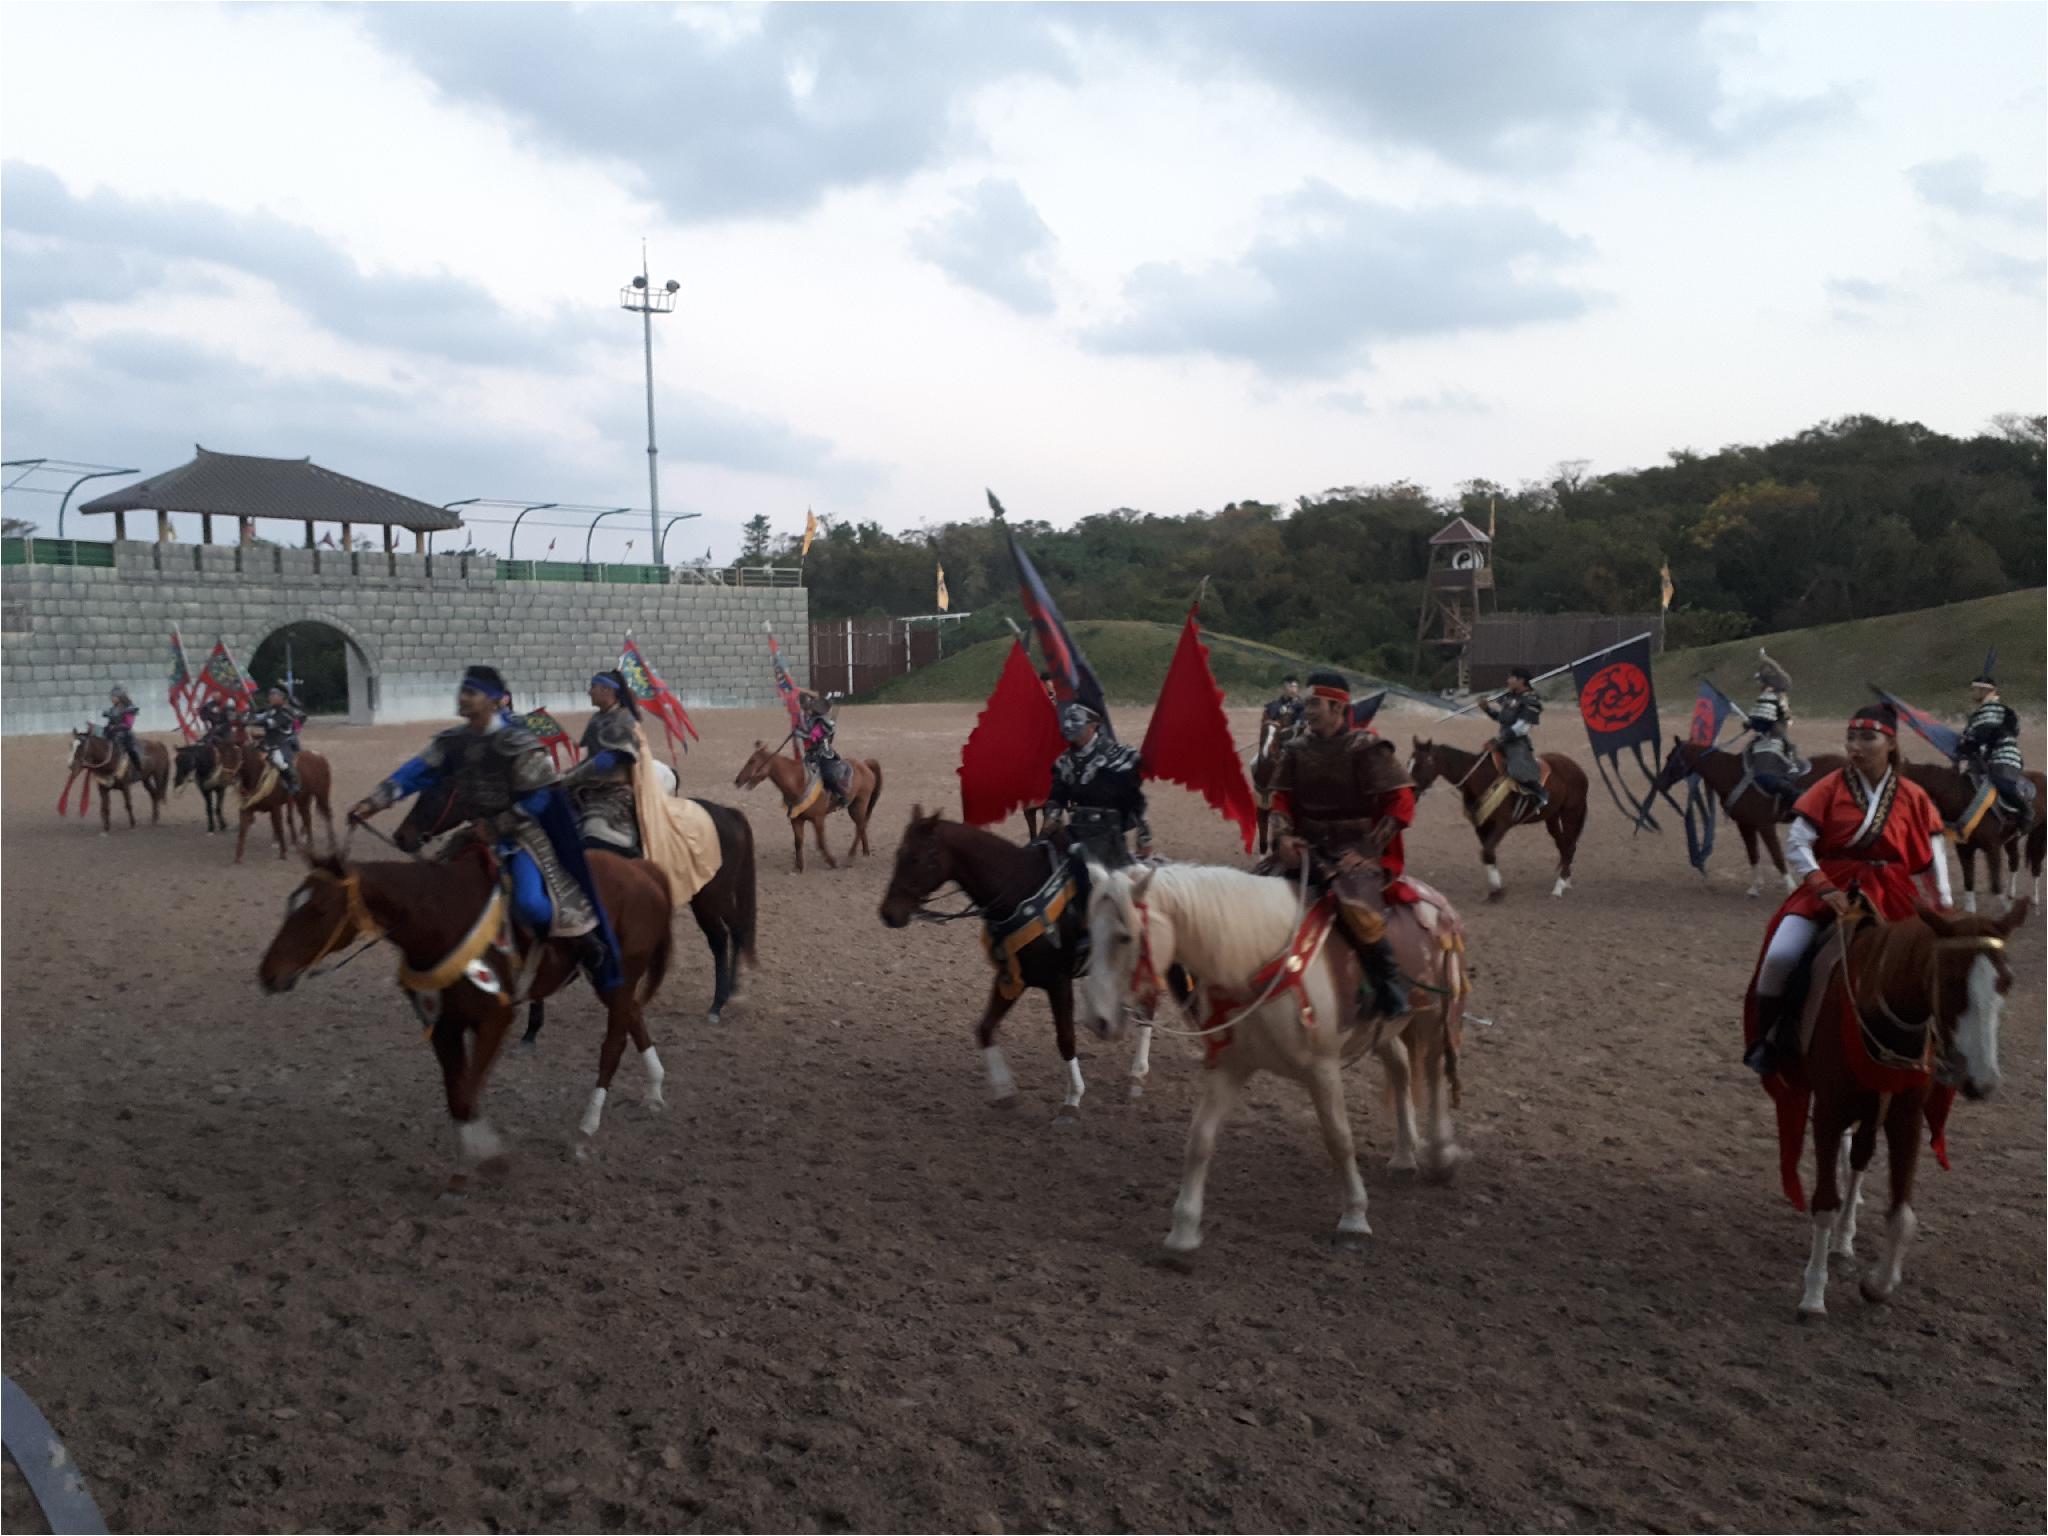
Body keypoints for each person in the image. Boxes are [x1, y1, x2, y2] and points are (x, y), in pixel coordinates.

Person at [348, 666, 620, 990]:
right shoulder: (454, 742)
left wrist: (497, 825)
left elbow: (542, 797)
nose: (462, 698)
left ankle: (583, 945)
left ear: (494, 701)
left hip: (522, 835)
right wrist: (373, 803)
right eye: (462, 691)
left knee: (530, 903)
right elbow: (416, 772)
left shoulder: (519, 743)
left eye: (471, 692)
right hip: (476, 833)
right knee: (438, 887)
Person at [1742, 701, 1951, 1076]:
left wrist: (1945, 907)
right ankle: (1769, 1039)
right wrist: (1822, 887)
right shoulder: (1828, 787)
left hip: (1893, 891)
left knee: (1937, 965)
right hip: (1832, 888)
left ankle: (1945, 1050)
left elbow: (1933, 857)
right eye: (1850, 738)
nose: (1856, 747)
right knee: (1780, 956)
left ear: (1891, 743)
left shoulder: (1913, 796)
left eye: (1867, 738)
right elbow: (1797, 842)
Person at [1266, 668, 1414, 1019]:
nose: (1309, 709)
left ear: (1337, 707)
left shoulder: (1367, 748)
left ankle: (1389, 985)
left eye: (1315, 703)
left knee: (1356, 910)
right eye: (1308, 702)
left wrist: (1367, 852)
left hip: (1354, 849)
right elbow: (1280, 799)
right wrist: (1283, 835)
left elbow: (1402, 802)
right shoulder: (1295, 748)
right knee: (1255, 896)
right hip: (1305, 845)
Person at [1043, 702, 1150, 867]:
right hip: (1075, 830)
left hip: (1107, 836)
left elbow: (1135, 800)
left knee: (1085, 863)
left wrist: (1144, 837)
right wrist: (1052, 817)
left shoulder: (1118, 758)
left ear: (1093, 725)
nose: (1068, 725)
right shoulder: (1064, 762)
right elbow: (1058, 796)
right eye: (1066, 720)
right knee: (1040, 854)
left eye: (1075, 720)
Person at [561, 669, 644, 855]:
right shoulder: (598, 718)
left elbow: (605, 761)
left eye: (593, 687)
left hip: (612, 794)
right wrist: (565, 776)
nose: (589, 692)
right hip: (589, 790)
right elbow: (590, 760)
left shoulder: (622, 719)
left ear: (607, 690)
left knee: (593, 832)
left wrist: (570, 777)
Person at [1960, 663, 2031, 830]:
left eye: (1976, 689)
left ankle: (2026, 811)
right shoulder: (1981, 712)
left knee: (2002, 782)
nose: (1973, 693)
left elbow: (1983, 734)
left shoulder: (1995, 711)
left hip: (2002, 756)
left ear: (1986, 691)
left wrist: (1969, 743)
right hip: (1982, 759)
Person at [1744, 650, 1806, 806]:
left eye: (1762, 681)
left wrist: (1750, 723)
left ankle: (1793, 798)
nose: (1760, 684)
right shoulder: (1780, 695)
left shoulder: (1769, 696)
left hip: (1771, 738)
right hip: (1775, 735)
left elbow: (1763, 722)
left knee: (1763, 774)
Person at [1481, 665, 1547, 809]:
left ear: (1521, 680)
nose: (1508, 680)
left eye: (1511, 678)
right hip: (1503, 739)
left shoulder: (1531, 699)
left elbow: (1522, 727)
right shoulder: (1511, 697)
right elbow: (1502, 718)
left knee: (1516, 770)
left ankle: (1540, 793)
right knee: (1482, 759)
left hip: (1517, 742)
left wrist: (1500, 739)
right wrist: (1487, 709)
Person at [247, 685, 306, 797]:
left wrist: (253, 721)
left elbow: (270, 723)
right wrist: (250, 712)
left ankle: (292, 783)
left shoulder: (287, 712)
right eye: (271, 694)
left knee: (279, 761)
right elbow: (258, 716)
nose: (272, 697)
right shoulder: (269, 710)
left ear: (282, 697)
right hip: (267, 742)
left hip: (283, 743)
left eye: (275, 695)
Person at [798, 688, 852, 807]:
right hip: (810, 754)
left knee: (827, 774)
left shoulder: (822, 722)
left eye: (808, 709)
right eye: (805, 709)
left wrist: (800, 733)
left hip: (822, 753)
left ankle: (840, 795)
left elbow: (812, 736)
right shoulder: (808, 720)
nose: (806, 712)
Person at [102, 687, 145, 777]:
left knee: (131, 750)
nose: (112, 699)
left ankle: (138, 769)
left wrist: (114, 727)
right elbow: (110, 722)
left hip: (125, 734)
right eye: (112, 697)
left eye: (114, 697)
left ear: (120, 697)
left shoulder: (129, 709)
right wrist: (108, 727)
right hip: (112, 734)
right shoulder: (112, 710)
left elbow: (128, 725)